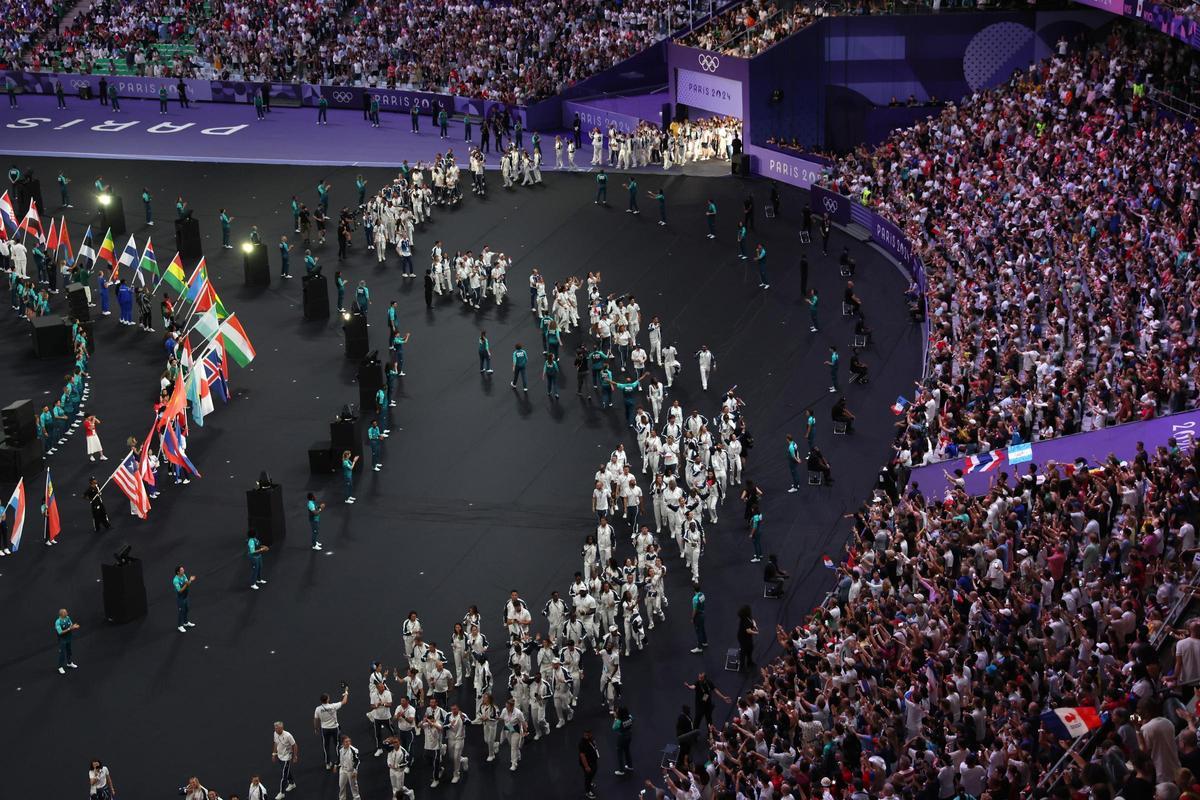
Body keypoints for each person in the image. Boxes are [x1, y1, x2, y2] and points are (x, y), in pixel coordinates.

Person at [314, 687, 350, 771]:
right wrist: (346, 692)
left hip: (325, 729)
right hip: (334, 728)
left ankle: (327, 763)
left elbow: (316, 720)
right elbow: (344, 701)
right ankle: (339, 762)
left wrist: (316, 728)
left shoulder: (318, 709)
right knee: (337, 745)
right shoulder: (333, 706)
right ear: (327, 699)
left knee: (326, 746)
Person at [498, 697, 526, 771]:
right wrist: (496, 717)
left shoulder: (518, 713)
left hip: (516, 730)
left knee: (513, 747)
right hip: (508, 729)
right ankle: (518, 754)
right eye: (506, 706)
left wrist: (525, 732)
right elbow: (501, 718)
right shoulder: (504, 710)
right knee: (512, 744)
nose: (506, 708)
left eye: (508, 707)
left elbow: (523, 722)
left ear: (512, 706)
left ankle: (514, 764)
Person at [272, 721, 298, 798]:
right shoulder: (275, 733)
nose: (276, 730)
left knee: (284, 776)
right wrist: (274, 754)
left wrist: (295, 756)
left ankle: (282, 793)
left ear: (282, 728)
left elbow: (295, 745)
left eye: (278, 729)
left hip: (287, 757)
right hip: (280, 756)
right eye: (275, 729)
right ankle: (292, 783)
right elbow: (275, 743)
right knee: (286, 771)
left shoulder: (288, 735)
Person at [56, 607, 79, 674]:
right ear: (61, 614)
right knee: (62, 653)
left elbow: (71, 625)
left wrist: (74, 626)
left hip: (68, 638)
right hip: (62, 640)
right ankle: (60, 667)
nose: (67, 613)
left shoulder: (68, 618)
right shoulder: (58, 622)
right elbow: (60, 632)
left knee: (69, 651)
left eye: (66, 612)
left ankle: (69, 663)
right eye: (65, 612)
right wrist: (69, 629)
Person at [337, 736, 361, 800]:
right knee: (341, 785)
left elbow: (357, 761)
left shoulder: (354, 750)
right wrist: (336, 765)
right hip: (343, 770)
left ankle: (357, 798)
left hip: (351, 771)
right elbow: (339, 759)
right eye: (346, 741)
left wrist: (355, 771)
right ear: (342, 743)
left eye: (349, 741)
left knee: (353, 786)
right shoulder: (340, 750)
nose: (348, 743)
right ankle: (342, 798)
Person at [173, 565, 196, 633]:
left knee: (186, 610)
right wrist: (187, 583)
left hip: (185, 597)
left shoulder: (184, 575)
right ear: (178, 572)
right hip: (180, 598)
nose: (183, 571)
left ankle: (185, 623)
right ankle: (180, 626)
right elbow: (180, 591)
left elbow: (188, 584)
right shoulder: (175, 580)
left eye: (183, 569)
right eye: (182, 570)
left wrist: (190, 581)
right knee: (181, 612)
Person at [612, 707, 634, 776]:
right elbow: (633, 719)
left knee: (620, 753)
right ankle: (630, 766)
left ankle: (621, 770)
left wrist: (615, 718)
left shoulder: (619, 721)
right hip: (629, 735)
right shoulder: (630, 717)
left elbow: (614, 728)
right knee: (627, 750)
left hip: (622, 737)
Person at [736, 605, 758, 670]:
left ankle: (749, 662)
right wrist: (755, 633)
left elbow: (753, 621)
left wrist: (754, 625)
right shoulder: (745, 620)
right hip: (743, 638)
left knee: (750, 648)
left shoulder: (748, 617)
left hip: (747, 637)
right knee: (744, 651)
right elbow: (748, 631)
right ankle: (742, 667)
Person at [579, 729, 599, 798]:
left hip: (593, 761)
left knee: (592, 773)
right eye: (585, 735)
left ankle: (590, 782)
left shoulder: (591, 739)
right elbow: (582, 756)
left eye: (588, 734)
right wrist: (586, 766)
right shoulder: (582, 743)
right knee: (588, 776)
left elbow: (594, 746)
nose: (586, 736)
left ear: (591, 734)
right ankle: (588, 791)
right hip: (588, 763)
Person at [689, 582, 706, 654]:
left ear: (693, 589)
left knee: (698, 631)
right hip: (703, 614)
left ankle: (699, 647)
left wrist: (692, 618)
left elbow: (694, 609)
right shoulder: (702, 594)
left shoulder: (695, 598)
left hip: (698, 616)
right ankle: (705, 642)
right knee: (702, 628)